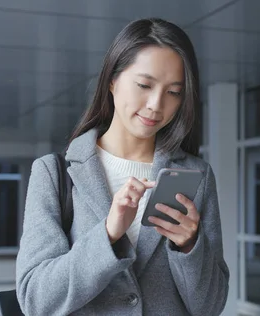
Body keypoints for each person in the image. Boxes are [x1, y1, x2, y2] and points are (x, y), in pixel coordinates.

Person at [15, 18, 229, 316]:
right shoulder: (54, 173)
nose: (156, 104)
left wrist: (190, 246)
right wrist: (108, 234)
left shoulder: (197, 176)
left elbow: (211, 307)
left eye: (174, 92)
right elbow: (36, 300)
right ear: (112, 81)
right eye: (144, 85)